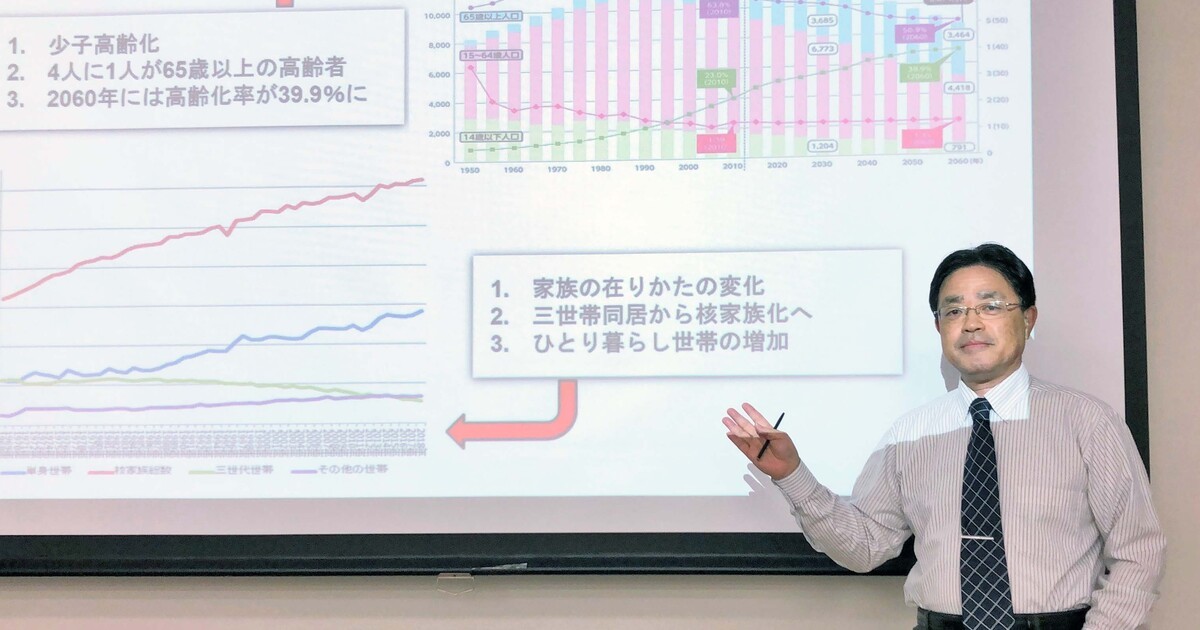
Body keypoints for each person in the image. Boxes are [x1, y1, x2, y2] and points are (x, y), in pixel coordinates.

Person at [723, 243, 1165, 630]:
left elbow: (1138, 551)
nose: (970, 323)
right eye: (953, 311)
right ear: (939, 328)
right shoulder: (908, 435)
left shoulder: (1087, 422)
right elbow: (866, 547)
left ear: (1028, 318)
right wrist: (792, 474)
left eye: (991, 306)